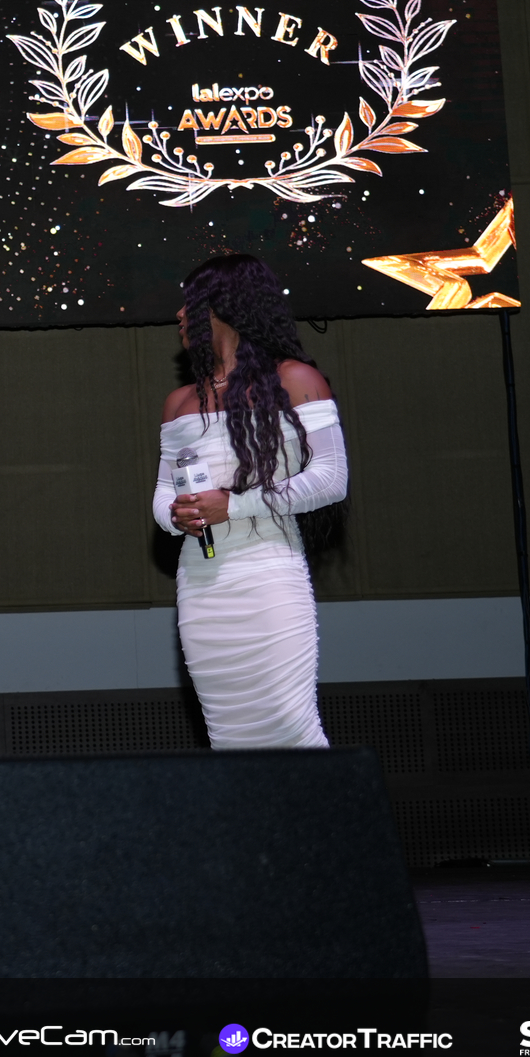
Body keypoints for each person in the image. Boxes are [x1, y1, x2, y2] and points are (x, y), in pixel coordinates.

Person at [152, 253, 348, 749]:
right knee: (228, 735)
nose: (180, 314)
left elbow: (331, 479)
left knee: (288, 722)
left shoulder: (296, 380)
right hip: (202, 586)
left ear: (223, 306)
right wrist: (178, 515)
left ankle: (332, 802)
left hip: (268, 575)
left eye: (190, 302)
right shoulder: (180, 402)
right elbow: (163, 495)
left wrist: (234, 505)